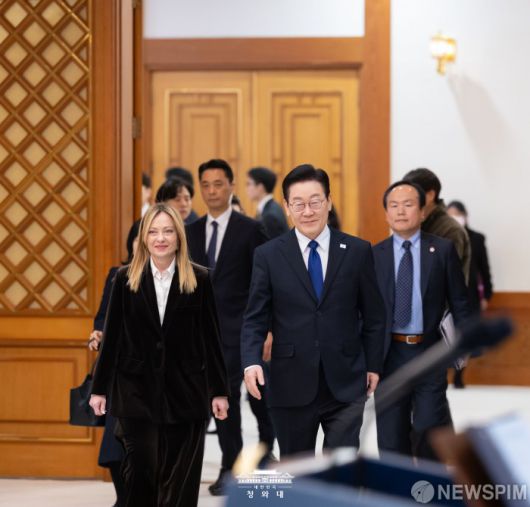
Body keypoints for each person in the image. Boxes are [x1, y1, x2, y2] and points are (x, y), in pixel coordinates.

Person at [241, 164, 386, 458]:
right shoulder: (268, 255)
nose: (307, 211)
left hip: (346, 380)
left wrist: (373, 364)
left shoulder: (357, 251)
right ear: (287, 207)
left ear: (329, 202)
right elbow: (255, 317)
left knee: (341, 468)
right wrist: (251, 361)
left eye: (315, 202)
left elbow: (374, 316)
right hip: (290, 381)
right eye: (298, 204)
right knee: (297, 469)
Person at [89, 203, 229, 507]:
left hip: (186, 393)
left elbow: (212, 340)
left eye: (167, 231)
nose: (160, 238)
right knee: (141, 476)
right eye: (153, 232)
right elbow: (112, 340)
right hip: (135, 393)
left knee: (179, 482)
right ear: (144, 237)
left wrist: (219, 392)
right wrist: (99, 389)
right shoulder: (125, 279)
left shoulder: (199, 279)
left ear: (179, 236)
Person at [186, 159, 273, 496]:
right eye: (205, 185)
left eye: (218, 184)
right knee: (215, 399)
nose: (211, 191)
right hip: (199, 335)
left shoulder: (250, 229)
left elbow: (263, 284)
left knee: (237, 398)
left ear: (231, 186)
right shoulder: (190, 231)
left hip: (241, 331)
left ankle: (239, 461)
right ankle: (227, 463)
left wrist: (266, 329)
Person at [373, 181, 470, 460]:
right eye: (394, 206)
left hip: (429, 351)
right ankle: (397, 483)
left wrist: (464, 343)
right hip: (389, 355)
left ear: (423, 211)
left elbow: (459, 300)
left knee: (429, 425)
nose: (400, 211)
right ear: (386, 214)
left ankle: (427, 482)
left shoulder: (441, 250)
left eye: (408, 205)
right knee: (391, 433)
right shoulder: (374, 255)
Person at [87, 231, 141, 506]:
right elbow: (102, 316)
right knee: (113, 445)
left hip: (153, 373)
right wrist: (97, 333)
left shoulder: (175, 277)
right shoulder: (117, 274)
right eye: (139, 236)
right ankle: (123, 498)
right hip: (119, 371)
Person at [447, 200, 493, 387]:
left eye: (458, 214)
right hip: (446, 294)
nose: (455, 218)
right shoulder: (441, 236)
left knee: (466, 336)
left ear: (465, 216)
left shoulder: (477, 239)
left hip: (470, 295)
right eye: (450, 215)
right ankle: (443, 373)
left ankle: (459, 376)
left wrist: (487, 295)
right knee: (446, 335)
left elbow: (484, 269)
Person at [403, 168, 471, 281]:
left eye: (412, 195)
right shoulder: (413, 225)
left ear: (430, 195)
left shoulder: (451, 230)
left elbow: (443, 278)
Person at [246, 167, 289, 238]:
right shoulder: (270, 208)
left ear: (260, 187)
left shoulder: (270, 216)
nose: (247, 188)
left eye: (249, 184)